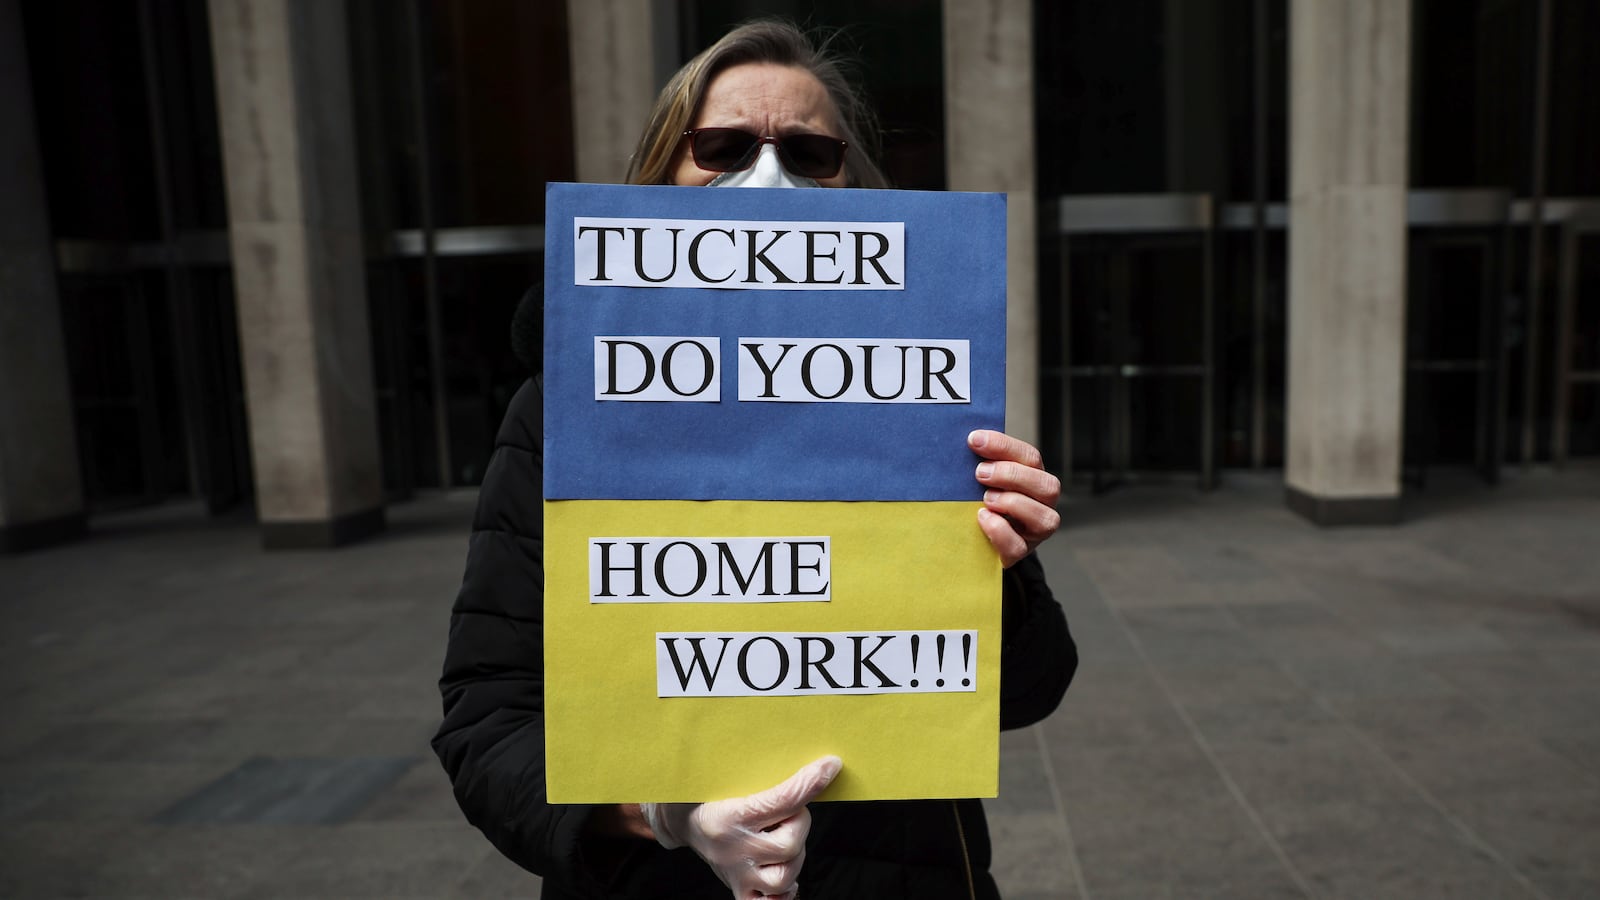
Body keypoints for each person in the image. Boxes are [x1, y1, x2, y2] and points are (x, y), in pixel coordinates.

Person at [434, 19, 1076, 900]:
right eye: (722, 147)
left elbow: (1028, 692)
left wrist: (1002, 567)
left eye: (811, 155)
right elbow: (487, 720)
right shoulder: (558, 414)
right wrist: (658, 813)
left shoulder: (926, 404)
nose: (764, 178)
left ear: (857, 190)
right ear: (661, 177)